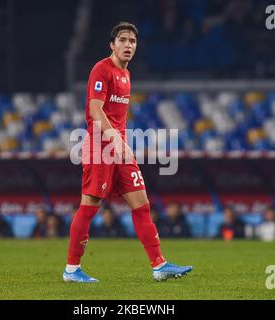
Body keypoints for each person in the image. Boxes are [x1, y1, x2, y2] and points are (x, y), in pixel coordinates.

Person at [63, 22, 192, 283]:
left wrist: (121, 142)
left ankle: (159, 264)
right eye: (123, 40)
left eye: (132, 41)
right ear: (112, 44)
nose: (128, 45)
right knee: (90, 205)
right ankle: (71, 269)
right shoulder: (102, 69)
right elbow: (95, 111)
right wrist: (114, 138)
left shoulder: (126, 74)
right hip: (100, 147)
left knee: (141, 203)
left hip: (120, 148)